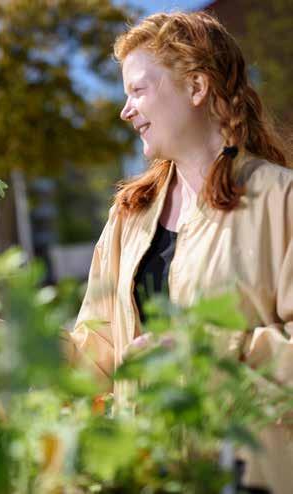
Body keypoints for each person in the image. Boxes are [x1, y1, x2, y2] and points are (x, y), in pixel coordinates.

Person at [69, 11, 292, 494]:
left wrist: (211, 352)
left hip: (248, 476)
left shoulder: (280, 199)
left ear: (196, 87)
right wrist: (27, 348)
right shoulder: (128, 217)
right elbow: (97, 354)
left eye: (138, 90)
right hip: (148, 473)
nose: (125, 110)